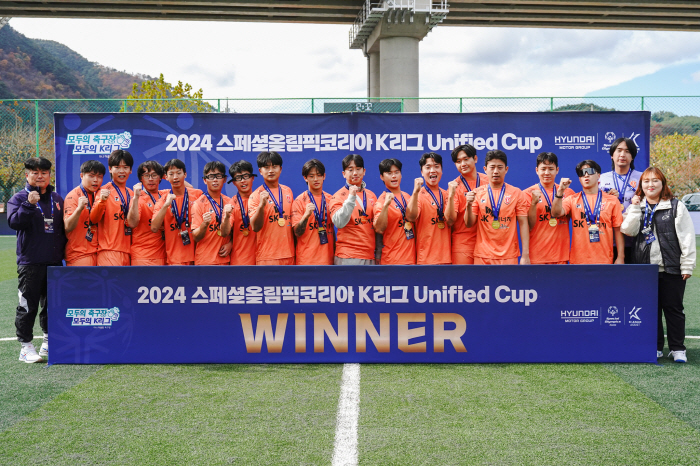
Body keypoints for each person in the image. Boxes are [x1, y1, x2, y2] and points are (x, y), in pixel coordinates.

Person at [621, 167, 696, 362]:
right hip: (645, 270)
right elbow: (628, 230)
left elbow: (687, 237)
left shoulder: (676, 206)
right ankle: (655, 347)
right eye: (646, 181)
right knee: (650, 310)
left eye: (655, 181)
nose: (650, 184)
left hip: (671, 268)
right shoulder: (638, 206)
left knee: (673, 309)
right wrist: (635, 207)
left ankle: (677, 348)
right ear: (641, 185)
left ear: (663, 184)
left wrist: (687, 265)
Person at [7, 157, 66, 363]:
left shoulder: (57, 199)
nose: (40, 176)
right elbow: (14, 222)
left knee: (51, 305)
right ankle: (25, 347)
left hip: (54, 262)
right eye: (35, 172)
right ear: (27, 175)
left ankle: (48, 342)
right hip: (30, 262)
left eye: (44, 172)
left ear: (50, 175)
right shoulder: (18, 198)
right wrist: (29, 205)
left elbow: (62, 230)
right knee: (27, 305)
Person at [551, 160, 624, 264]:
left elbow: (618, 230)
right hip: (578, 261)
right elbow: (555, 213)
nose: (586, 175)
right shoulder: (572, 199)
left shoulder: (612, 200)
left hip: (604, 260)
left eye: (589, 171)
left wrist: (620, 257)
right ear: (579, 178)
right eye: (582, 173)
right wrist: (560, 191)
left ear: (598, 175)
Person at [465, 150, 530, 265]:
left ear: (506, 169)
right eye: (492, 167)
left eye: (500, 167)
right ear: (485, 169)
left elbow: (523, 223)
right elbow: (469, 223)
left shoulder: (516, 193)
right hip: (483, 256)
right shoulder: (477, 193)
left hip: (509, 256)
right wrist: (468, 205)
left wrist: (525, 254)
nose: (496, 171)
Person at [524, 152, 575, 264]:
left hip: (561, 256)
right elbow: (529, 225)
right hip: (536, 256)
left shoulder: (568, 192)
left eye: (551, 169)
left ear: (557, 170)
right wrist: (533, 204)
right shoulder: (527, 193)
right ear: (537, 170)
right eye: (543, 169)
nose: (547, 173)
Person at [151, 159, 203, 265]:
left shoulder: (197, 194)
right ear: (166, 177)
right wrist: (166, 205)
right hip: (175, 257)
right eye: (171, 174)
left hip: (198, 255)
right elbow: (154, 228)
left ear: (185, 174)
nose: (175, 177)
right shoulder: (163, 200)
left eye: (179, 173)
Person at [599, 137, 643, 263]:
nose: (623, 154)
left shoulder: (642, 178)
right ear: (612, 155)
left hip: (635, 239)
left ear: (632, 156)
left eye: (627, 151)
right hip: (608, 240)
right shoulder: (601, 179)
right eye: (619, 150)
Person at [329, 154, 378, 265]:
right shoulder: (338, 196)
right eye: (350, 170)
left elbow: (376, 226)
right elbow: (339, 222)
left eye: (358, 169)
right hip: (348, 256)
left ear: (364, 171)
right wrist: (351, 197)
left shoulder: (371, 195)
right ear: (344, 174)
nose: (355, 173)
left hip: (370, 256)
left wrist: (378, 253)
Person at [248, 151, 295, 265]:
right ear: (260, 171)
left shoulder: (287, 191)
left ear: (280, 169)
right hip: (267, 257)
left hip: (290, 255)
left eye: (274, 167)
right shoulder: (255, 196)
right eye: (266, 167)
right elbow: (255, 227)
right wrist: (261, 206)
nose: (271, 170)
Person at [89, 149, 134, 266]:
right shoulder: (103, 191)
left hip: (129, 253)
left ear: (130, 170)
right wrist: (102, 201)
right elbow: (93, 219)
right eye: (117, 167)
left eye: (125, 167)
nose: (121, 171)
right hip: (109, 252)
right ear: (110, 169)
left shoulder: (131, 193)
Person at [414, 152, 457, 265]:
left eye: (436, 166)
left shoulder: (447, 194)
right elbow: (411, 217)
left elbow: (451, 220)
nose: (433, 170)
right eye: (428, 167)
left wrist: (452, 195)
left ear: (442, 170)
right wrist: (415, 193)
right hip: (425, 260)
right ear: (422, 172)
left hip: (447, 259)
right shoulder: (418, 195)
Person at [373, 158, 418, 265]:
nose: (394, 176)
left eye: (396, 172)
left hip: (412, 259)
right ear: (381, 177)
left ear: (401, 175)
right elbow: (379, 229)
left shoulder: (407, 196)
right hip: (392, 260)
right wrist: (386, 206)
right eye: (389, 173)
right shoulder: (381, 201)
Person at [450, 144, 488, 264]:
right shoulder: (454, 186)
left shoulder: (489, 182)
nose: (463, 164)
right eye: (458, 161)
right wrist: (451, 195)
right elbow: (450, 220)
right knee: (463, 281)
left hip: (487, 243)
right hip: (463, 245)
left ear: (475, 159)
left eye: (466, 159)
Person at [292, 159, 334, 265]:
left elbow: (334, 229)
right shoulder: (299, 201)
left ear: (324, 176)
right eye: (311, 176)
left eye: (319, 175)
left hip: (328, 260)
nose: (316, 179)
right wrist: (306, 216)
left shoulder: (331, 199)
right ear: (305, 178)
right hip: (306, 261)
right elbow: (297, 232)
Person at [127, 161, 168, 266]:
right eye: (146, 175)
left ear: (160, 177)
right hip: (142, 256)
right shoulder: (138, 198)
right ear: (141, 179)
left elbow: (188, 189)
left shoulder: (165, 195)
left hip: (162, 255)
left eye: (154, 175)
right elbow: (132, 223)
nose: (150, 179)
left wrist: (167, 176)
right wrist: (135, 197)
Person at [64, 160, 105, 266]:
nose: (96, 180)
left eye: (99, 176)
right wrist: (79, 209)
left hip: (97, 253)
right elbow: (67, 226)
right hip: (79, 255)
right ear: (81, 176)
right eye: (91, 176)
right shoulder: (73, 196)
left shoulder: (99, 195)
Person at [191, 161, 233, 265]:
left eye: (218, 176)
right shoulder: (198, 204)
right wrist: (204, 224)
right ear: (205, 180)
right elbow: (195, 237)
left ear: (224, 179)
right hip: (204, 261)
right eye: (210, 176)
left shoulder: (229, 202)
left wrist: (231, 244)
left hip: (224, 260)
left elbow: (231, 233)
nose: (214, 180)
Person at [227, 160, 258, 266]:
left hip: (263, 257)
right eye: (238, 178)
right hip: (241, 260)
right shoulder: (232, 203)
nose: (243, 181)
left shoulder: (262, 199)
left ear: (252, 178)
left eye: (246, 176)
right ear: (234, 182)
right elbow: (225, 231)